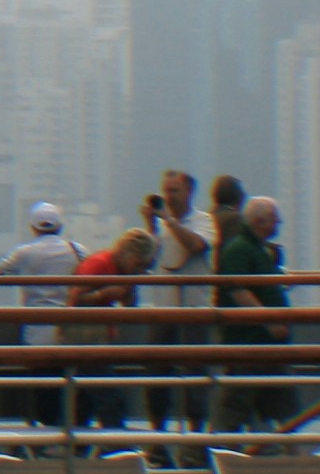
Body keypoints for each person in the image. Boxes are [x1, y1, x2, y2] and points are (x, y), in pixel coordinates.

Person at [0, 202, 85, 427]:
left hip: (37, 328)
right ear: (60, 226)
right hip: (69, 328)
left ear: (33, 228)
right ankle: (72, 432)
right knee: (70, 383)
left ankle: (45, 430)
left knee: (42, 385)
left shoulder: (26, 252)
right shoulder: (76, 250)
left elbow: (3, 269)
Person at [214, 194, 294, 434]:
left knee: (282, 406)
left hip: (267, 346)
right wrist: (269, 321)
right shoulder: (239, 249)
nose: (278, 225)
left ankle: (293, 458)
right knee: (236, 406)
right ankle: (217, 456)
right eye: (274, 220)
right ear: (260, 221)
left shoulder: (258, 249)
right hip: (250, 344)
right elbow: (237, 289)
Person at [140, 171, 213, 431]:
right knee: (157, 376)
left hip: (194, 311)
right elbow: (147, 262)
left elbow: (196, 245)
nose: (169, 197)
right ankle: (158, 434)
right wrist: (151, 227)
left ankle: (196, 437)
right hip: (163, 311)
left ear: (190, 193)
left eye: (175, 191)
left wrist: (169, 221)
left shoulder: (203, 221)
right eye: (166, 191)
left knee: (195, 378)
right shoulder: (161, 226)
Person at [66, 229, 156, 430]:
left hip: (98, 340)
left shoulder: (121, 271)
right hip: (84, 342)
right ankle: (116, 446)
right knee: (110, 398)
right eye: (139, 265)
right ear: (130, 255)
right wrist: (104, 294)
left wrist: (129, 288)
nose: (139, 270)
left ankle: (76, 448)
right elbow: (75, 300)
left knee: (85, 401)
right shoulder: (99, 263)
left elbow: (130, 306)